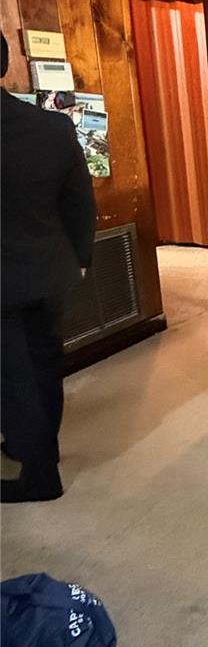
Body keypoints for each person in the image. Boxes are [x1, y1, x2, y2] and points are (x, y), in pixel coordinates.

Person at [1, 33, 96, 501]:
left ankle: (38, 475)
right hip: (50, 271)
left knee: (11, 377)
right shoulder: (52, 128)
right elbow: (80, 201)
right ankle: (42, 449)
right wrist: (79, 258)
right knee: (43, 365)